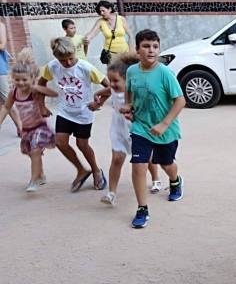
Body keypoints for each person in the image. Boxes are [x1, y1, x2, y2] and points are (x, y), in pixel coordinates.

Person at [120, 29, 185, 229]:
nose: (151, 50)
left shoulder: (165, 72)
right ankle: (142, 208)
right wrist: (129, 106)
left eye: (155, 46)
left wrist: (164, 124)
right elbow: (129, 92)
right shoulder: (132, 71)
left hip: (165, 129)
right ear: (138, 49)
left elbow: (180, 100)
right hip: (141, 126)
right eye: (146, 46)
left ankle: (175, 180)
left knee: (166, 164)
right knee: (139, 165)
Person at [89, 53, 163, 206]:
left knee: (146, 158)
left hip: (136, 127)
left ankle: (156, 179)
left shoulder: (136, 92)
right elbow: (108, 91)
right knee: (116, 159)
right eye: (110, 80)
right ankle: (111, 193)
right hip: (118, 127)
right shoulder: (114, 89)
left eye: (116, 81)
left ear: (128, 80)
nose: (112, 84)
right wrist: (97, 96)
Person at [39, 37, 109, 192]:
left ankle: (96, 170)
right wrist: (41, 106)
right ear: (56, 57)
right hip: (65, 111)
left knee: (82, 144)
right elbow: (40, 84)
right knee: (60, 142)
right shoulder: (51, 67)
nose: (68, 63)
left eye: (71, 58)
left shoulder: (85, 67)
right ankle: (81, 170)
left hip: (84, 112)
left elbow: (109, 86)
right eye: (63, 60)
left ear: (74, 52)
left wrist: (99, 102)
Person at [0, 48, 57, 192]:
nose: (21, 83)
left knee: (35, 151)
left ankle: (33, 180)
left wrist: (37, 87)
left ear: (32, 79)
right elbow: (6, 108)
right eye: (17, 79)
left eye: (24, 80)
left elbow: (54, 93)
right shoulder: (14, 92)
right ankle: (41, 174)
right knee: (33, 154)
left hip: (39, 127)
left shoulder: (34, 91)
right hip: (26, 129)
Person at [84, 0, 135, 65]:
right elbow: (92, 33)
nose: (101, 13)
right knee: (113, 74)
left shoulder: (121, 19)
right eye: (100, 12)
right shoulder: (100, 22)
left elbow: (130, 35)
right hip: (110, 54)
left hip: (124, 52)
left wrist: (131, 52)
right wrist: (87, 38)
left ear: (110, 9)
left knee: (126, 73)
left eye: (103, 11)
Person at [0, 21, 22, 136]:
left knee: (7, 100)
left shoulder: (0, 25)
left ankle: (21, 128)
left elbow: (2, 45)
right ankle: (21, 128)